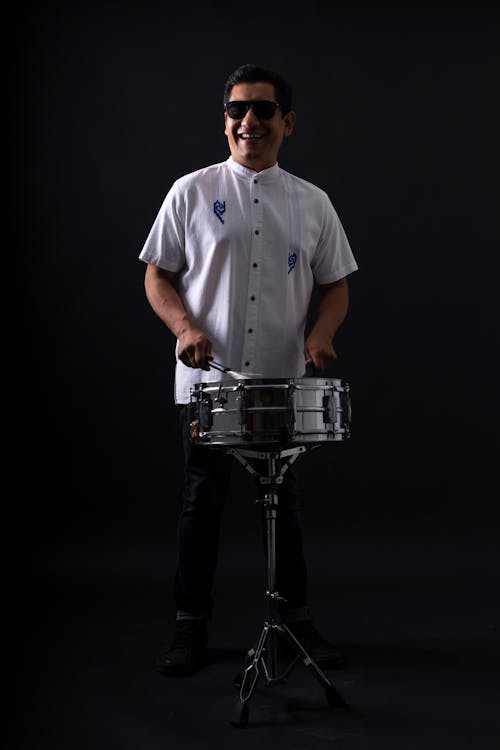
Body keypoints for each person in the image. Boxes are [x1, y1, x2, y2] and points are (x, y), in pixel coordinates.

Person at [139, 63, 358, 676]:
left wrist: (321, 332)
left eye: (263, 111)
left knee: (282, 503)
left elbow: (336, 285)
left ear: (286, 122)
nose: (249, 122)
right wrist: (184, 329)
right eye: (237, 110)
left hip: (280, 382)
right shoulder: (190, 191)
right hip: (211, 385)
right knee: (200, 501)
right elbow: (157, 274)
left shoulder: (312, 201)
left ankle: (294, 620)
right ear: (226, 120)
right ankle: (190, 627)